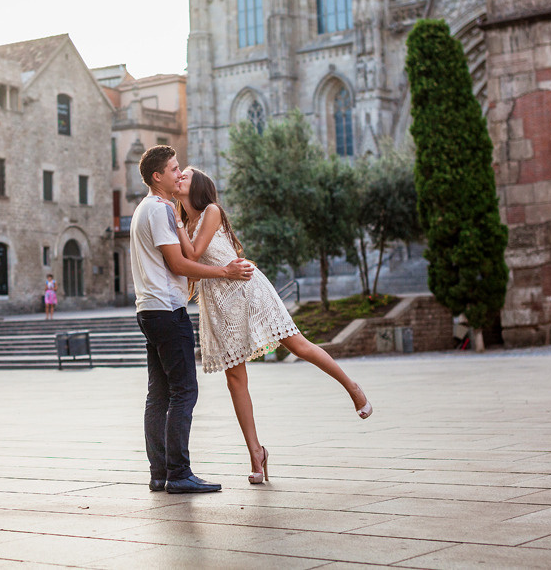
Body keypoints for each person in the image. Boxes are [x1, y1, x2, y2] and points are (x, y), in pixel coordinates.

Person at [169, 166, 372, 485]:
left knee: (298, 345)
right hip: (218, 304)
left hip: (246, 291)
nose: (179, 177)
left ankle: (353, 387)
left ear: (198, 186)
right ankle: (256, 454)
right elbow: (186, 266)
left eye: (185, 175)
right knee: (234, 379)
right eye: (177, 174)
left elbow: (193, 254)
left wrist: (176, 221)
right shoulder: (185, 223)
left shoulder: (210, 211)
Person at [129, 145, 254, 495]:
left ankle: (160, 474)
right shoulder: (159, 210)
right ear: (157, 177)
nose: (178, 172)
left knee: (159, 394)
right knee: (184, 391)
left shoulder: (143, 209)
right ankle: (179, 473)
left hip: (148, 309)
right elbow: (179, 264)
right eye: (173, 169)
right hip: (167, 311)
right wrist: (226, 271)